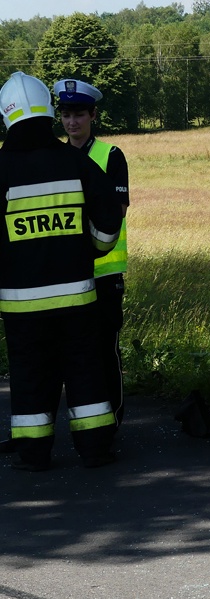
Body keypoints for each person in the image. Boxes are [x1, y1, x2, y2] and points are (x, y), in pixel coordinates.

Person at [0, 71, 123, 470]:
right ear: (50, 113)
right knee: (86, 370)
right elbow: (107, 225)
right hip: (78, 296)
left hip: (19, 305)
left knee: (29, 375)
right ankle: (95, 449)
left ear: (7, 116)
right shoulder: (76, 162)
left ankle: (34, 455)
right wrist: (89, 250)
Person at [53, 78, 130, 432]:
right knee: (63, 355)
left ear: (93, 115)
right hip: (65, 273)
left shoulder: (111, 156)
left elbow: (115, 211)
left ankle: (111, 421)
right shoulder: (54, 156)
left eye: (79, 114)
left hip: (104, 272)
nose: (72, 122)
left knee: (103, 351)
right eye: (66, 114)